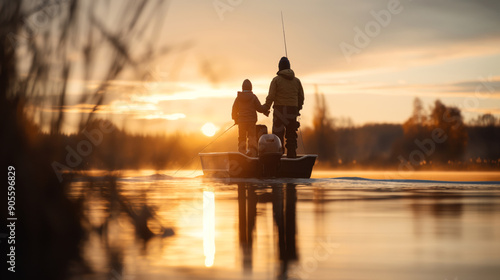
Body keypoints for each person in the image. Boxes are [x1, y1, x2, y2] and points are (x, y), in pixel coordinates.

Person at [264, 57, 304, 158]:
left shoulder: (276, 80)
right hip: (292, 111)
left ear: (279, 68)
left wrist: (266, 107)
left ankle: (278, 158)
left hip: (279, 112)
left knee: (277, 135)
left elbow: (271, 96)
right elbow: (301, 97)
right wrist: (298, 108)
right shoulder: (297, 81)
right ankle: (292, 156)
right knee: (291, 135)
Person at [232, 79, 269, 156]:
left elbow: (234, 110)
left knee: (242, 138)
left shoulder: (238, 98)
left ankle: (242, 153)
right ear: (251, 87)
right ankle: (252, 153)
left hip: (241, 122)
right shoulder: (253, 97)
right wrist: (266, 108)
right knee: (252, 137)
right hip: (251, 121)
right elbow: (259, 108)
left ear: (243, 88)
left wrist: (235, 119)